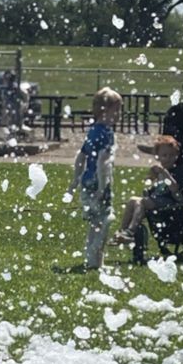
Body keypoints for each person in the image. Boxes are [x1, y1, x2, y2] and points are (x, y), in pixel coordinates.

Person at [67, 87, 123, 269]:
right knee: (105, 221)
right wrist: (102, 186)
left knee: (94, 223)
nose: (119, 114)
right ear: (105, 110)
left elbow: (81, 157)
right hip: (98, 182)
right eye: (117, 109)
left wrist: (75, 180)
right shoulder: (107, 133)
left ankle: (92, 260)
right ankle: (95, 259)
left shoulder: (92, 130)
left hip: (86, 181)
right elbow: (102, 162)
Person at [113, 135, 183, 244]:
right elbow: (151, 184)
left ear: (176, 156)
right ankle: (122, 232)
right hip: (157, 200)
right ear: (158, 157)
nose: (168, 158)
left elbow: (175, 189)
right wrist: (151, 178)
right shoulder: (159, 171)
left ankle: (131, 231)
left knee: (141, 201)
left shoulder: (177, 171)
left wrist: (165, 174)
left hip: (170, 203)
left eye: (172, 155)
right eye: (165, 155)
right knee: (133, 200)